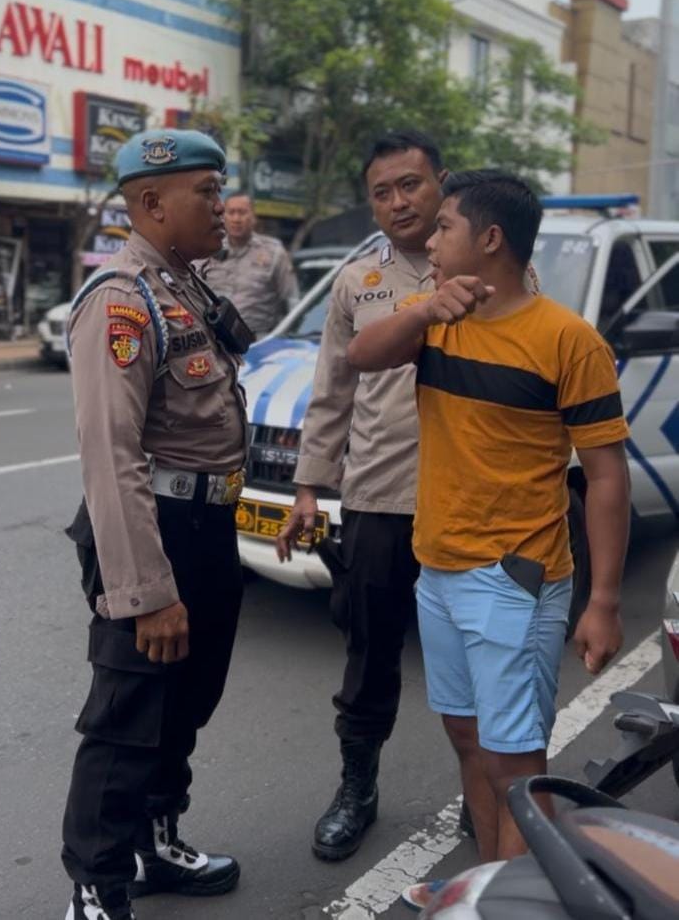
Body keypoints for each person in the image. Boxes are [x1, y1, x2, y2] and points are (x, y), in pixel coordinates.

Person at [347, 170, 630, 909]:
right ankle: (485, 888)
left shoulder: (569, 340)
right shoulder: (433, 315)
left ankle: (524, 901)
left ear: (490, 239)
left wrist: (602, 600)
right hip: (437, 568)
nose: (429, 239)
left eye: (443, 227)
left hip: (516, 577)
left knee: (515, 766)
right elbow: (359, 355)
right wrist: (419, 316)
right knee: (469, 741)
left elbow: (606, 477)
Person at [61, 128, 249, 920]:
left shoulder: (186, 285)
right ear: (150, 203)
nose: (222, 207)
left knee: (185, 702)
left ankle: (154, 840)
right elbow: (112, 455)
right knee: (128, 715)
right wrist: (145, 591)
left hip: (210, 527)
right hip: (155, 529)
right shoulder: (122, 299)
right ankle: (95, 887)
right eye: (207, 193)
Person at [276, 130, 447, 861]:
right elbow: (331, 392)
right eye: (383, 191)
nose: (398, 201)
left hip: (470, 499)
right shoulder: (356, 282)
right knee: (370, 651)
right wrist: (310, 488)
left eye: (410, 184)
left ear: (441, 182)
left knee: (476, 652)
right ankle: (357, 790)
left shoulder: (495, 266)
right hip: (379, 494)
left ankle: (490, 781)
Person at [194, 190, 298, 337]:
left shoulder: (274, 252)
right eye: (231, 212)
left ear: (253, 217)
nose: (237, 219)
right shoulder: (208, 250)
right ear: (223, 216)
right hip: (215, 339)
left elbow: (291, 301)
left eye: (242, 213)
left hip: (259, 342)